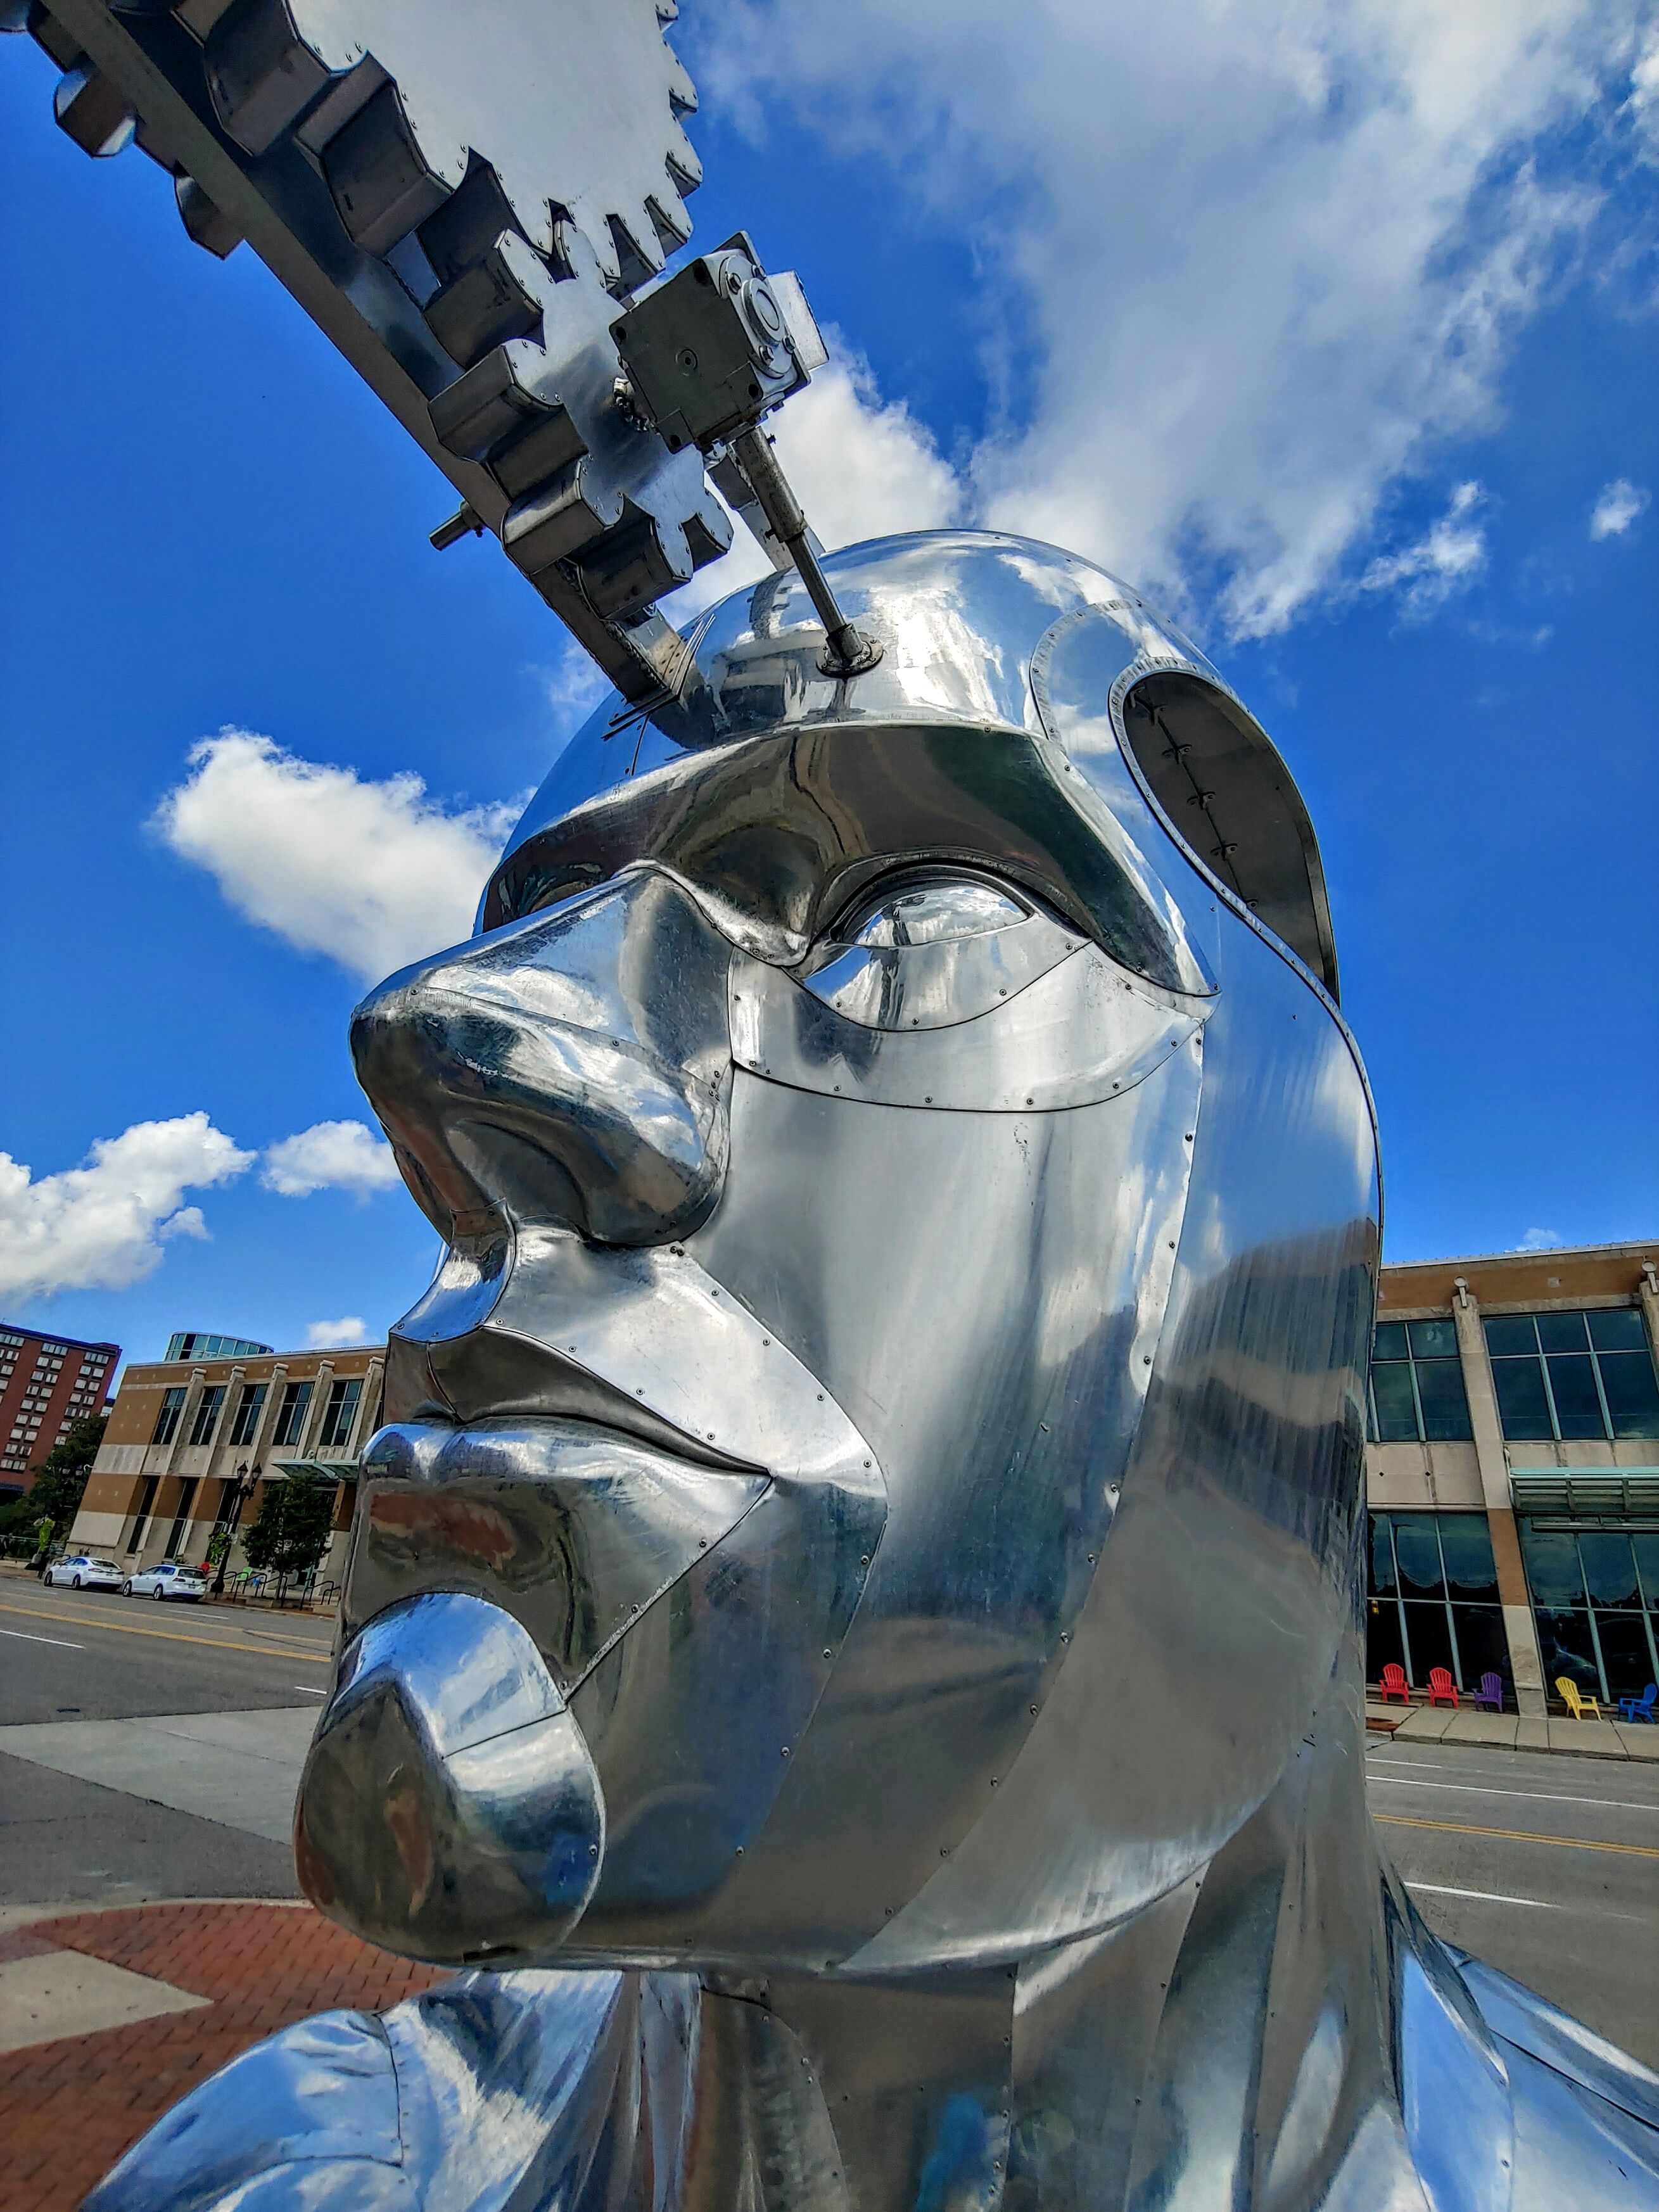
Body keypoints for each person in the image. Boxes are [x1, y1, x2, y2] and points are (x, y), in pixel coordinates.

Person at [90, 535, 1659, 2210]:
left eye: (892, 914)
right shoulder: (296, 2170)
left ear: (1280, 1225)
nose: (440, 1057)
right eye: (534, 937)